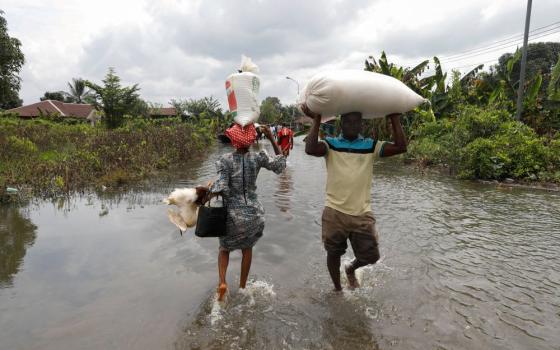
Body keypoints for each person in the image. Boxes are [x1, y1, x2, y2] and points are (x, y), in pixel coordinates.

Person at [303, 105, 407, 291]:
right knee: (333, 253)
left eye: (356, 122)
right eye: (348, 122)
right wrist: (317, 119)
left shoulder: (370, 145)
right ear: (341, 124)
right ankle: (337, 289)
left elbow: (401, 147)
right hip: (334, 211)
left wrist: (394, 117)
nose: (352, 125)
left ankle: (351, 267)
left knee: (371, 256)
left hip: (361, 213)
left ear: (361, 125)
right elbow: (310, 149)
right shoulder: (331, 144)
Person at [197, 123, 286, 301]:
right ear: (251, 140)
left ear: (233, 140)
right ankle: (243, 287)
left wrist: (204, 195)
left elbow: (221, 186)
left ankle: (222, 283)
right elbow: (280, 165)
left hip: (231, 216)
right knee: (247, 248)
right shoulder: (258, 158)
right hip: (254, 214)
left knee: (224, 249)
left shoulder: (225, 160)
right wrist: (271, 137)